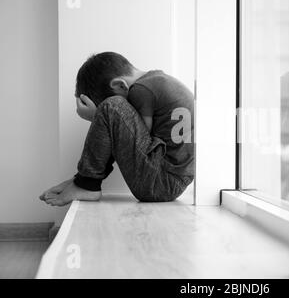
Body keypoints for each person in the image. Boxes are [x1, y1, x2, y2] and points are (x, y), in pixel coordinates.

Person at [39, 52, 194, 206]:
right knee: (112, 113)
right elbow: (132, 139)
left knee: (111, 106)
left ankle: (87, 183)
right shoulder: (159, 82)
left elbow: (136, 138)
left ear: (120, 85)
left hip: (160, 182)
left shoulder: (140, 90)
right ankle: (83, 179)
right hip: (173, 179)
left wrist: (99, 115)